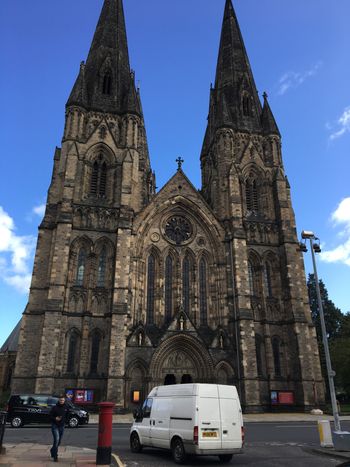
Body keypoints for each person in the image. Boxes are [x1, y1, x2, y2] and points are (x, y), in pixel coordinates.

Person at [50, 395, 67, 462]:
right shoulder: (55, 407)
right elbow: (50, 416)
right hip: (55, 426)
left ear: (64, 400)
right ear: (58, 400)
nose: (61, 401)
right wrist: (55, 418)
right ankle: (55, 456)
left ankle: (52, 450)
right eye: (60, 400)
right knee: (56, 440)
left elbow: (67, 414)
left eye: (63, 400)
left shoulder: (66, 407)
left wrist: (65, 421)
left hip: (62, 426)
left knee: (59, 441)